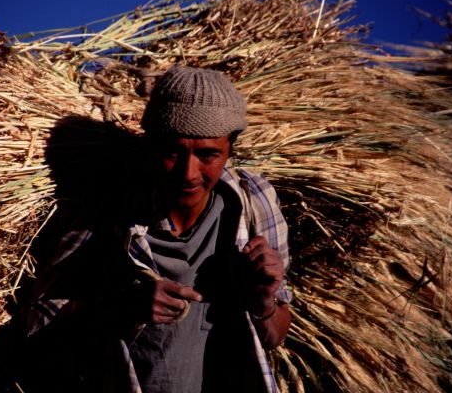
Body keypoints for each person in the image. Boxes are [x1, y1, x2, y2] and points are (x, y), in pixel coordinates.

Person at [22, 66, 292, 392]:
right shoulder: (107, 210)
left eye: (208, 154)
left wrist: (263, 301)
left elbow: (274, 336)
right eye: (172, 152)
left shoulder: (253, 202)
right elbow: (39, 321)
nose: (188, 173)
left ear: (230, 149)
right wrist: (122, 309)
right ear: (150, 145)